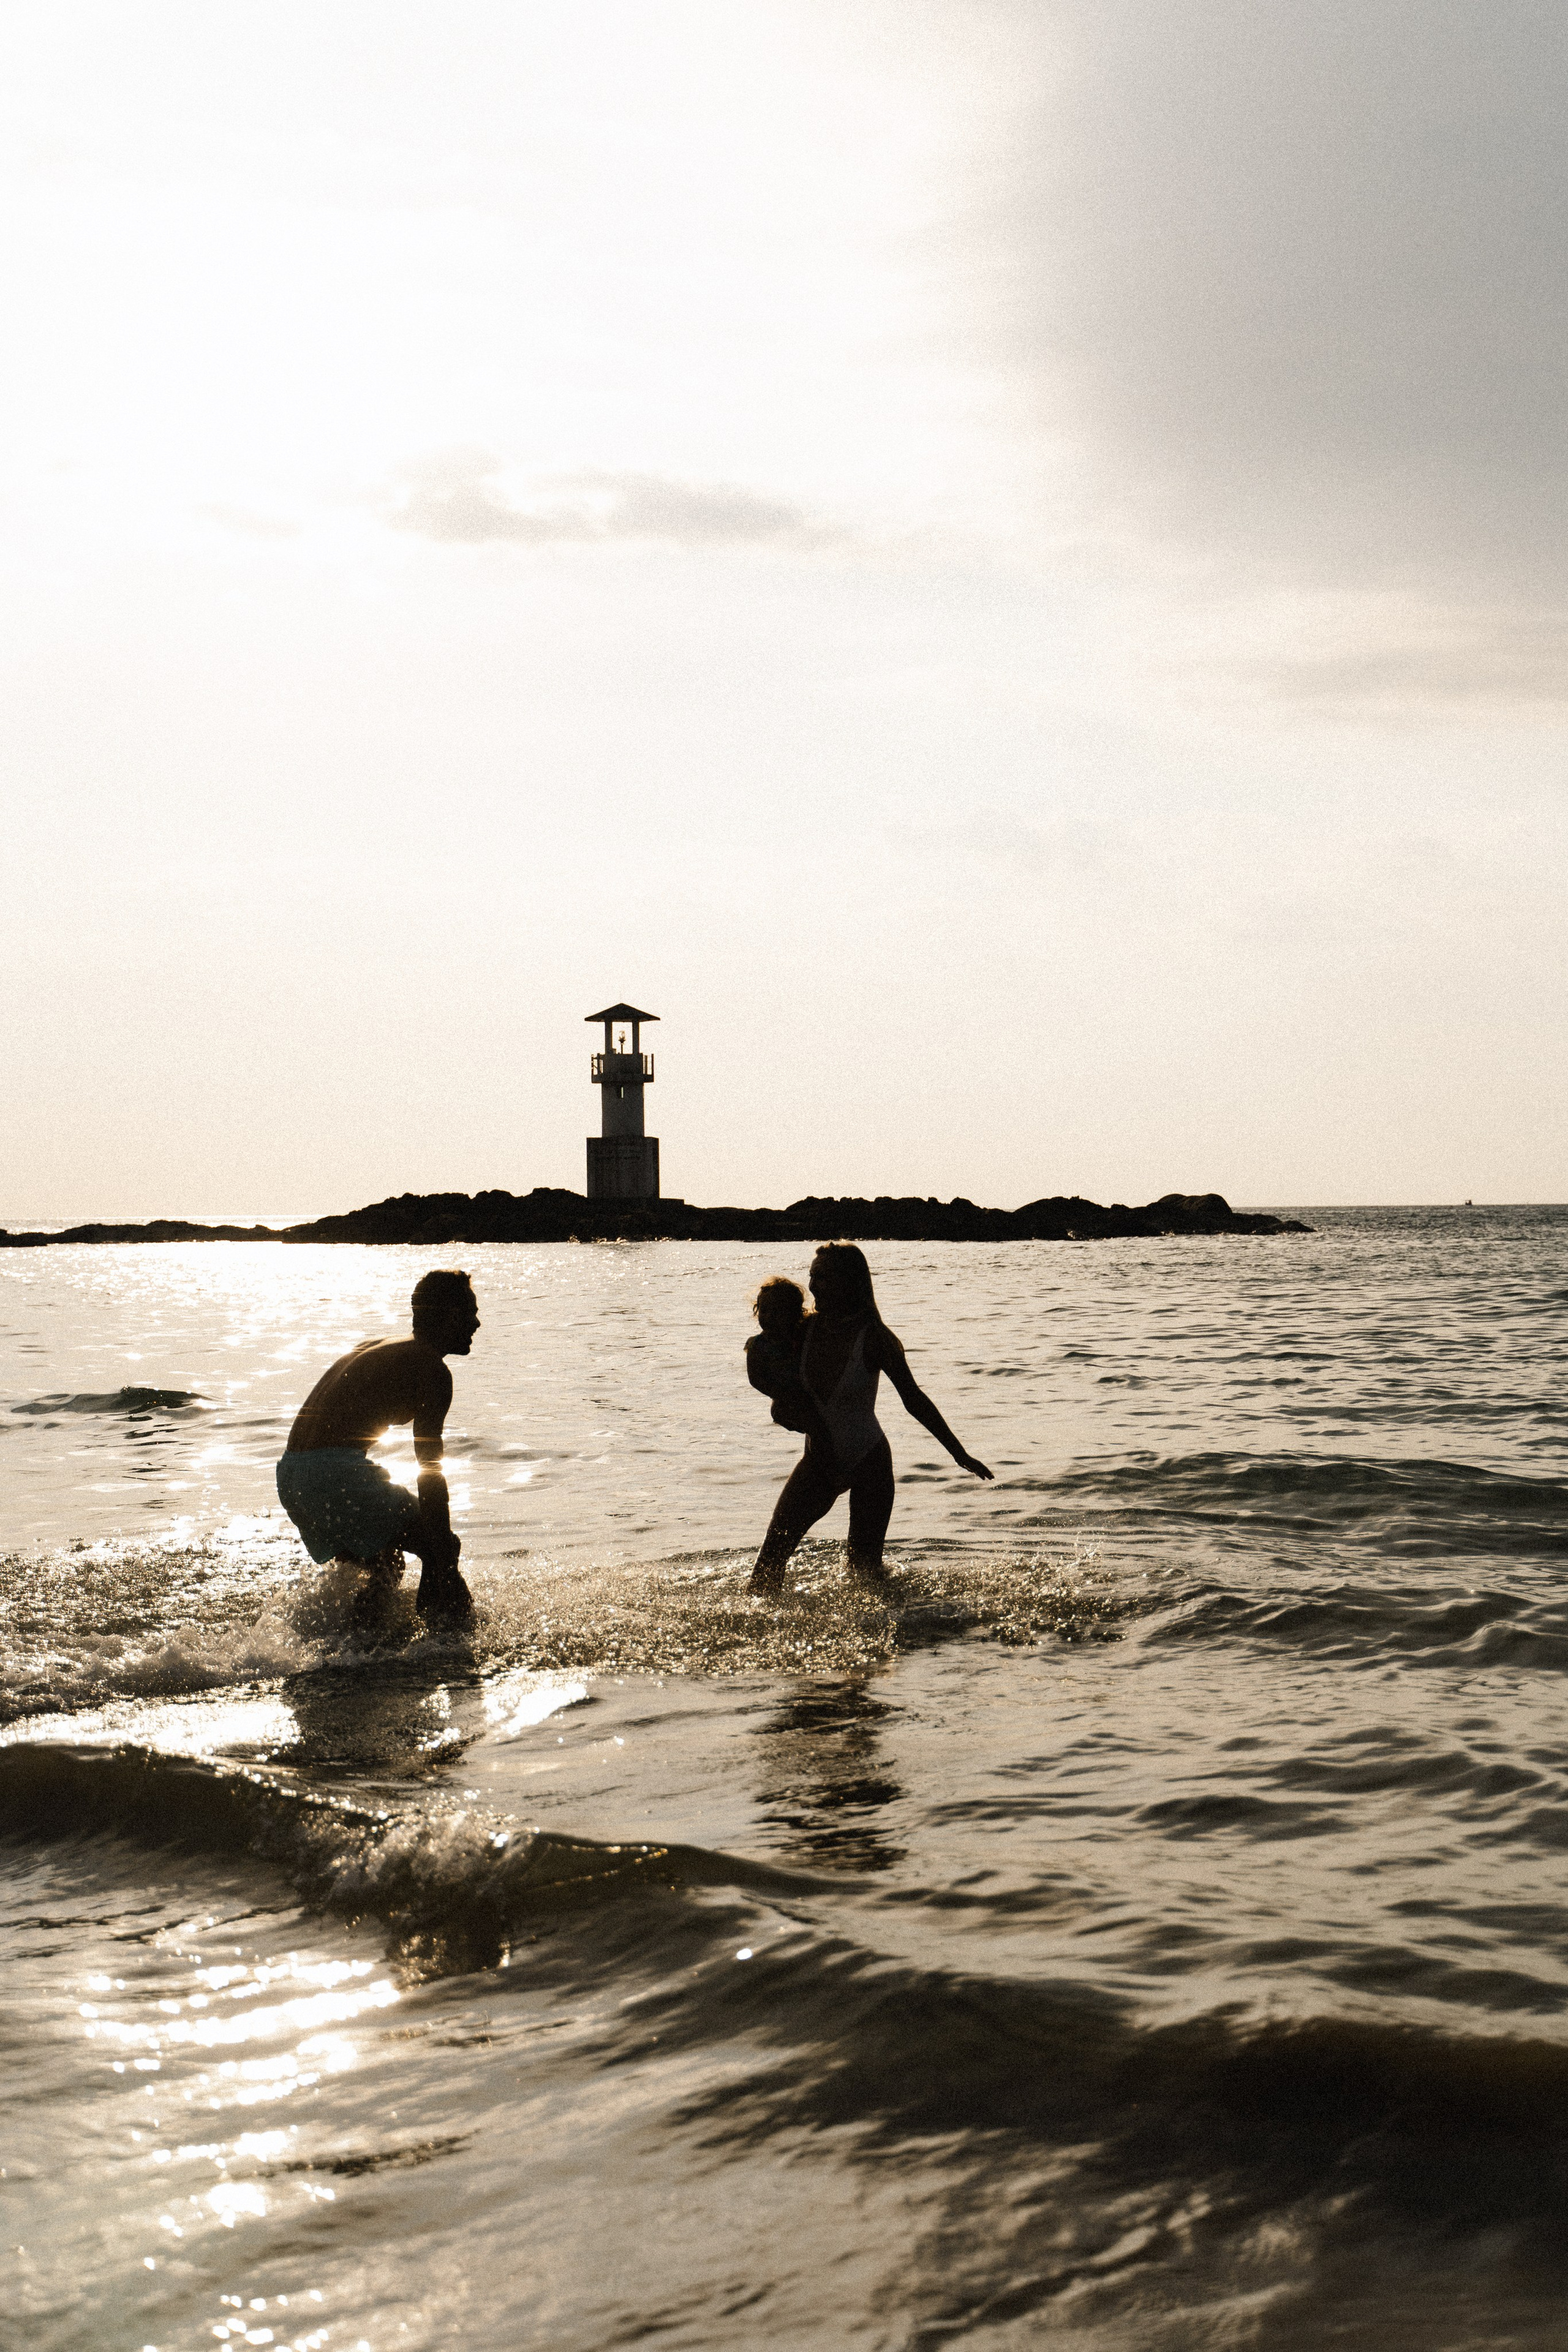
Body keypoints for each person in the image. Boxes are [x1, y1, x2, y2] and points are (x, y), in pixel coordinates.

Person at [748, 1243, 992, 1597]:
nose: (814, 1285)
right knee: (769, 1564)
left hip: (869, 1462)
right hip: (819, 1462)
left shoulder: (876, 1337)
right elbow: (777, 1380)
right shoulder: (802, 1331)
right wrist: (779, 1408)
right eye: (813, 1275)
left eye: (823, 1276)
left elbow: (914, 1400)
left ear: (849, 1282)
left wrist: (959, 1454)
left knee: (865, 1575)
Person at [276, 1268, 480, 1624]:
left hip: (292, 1474)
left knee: (387, 1564)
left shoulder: (379, 1347)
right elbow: (430, 1467)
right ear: (448, 1315)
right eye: (471, 1312)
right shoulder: (432, 1369)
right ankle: (450, 1645)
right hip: (333, 1474)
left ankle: (354, 1650)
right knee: (440, 1547)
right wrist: (442, 1542)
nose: (477, 1323)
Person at [744, 1276, 834, 1450]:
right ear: (757, 1311)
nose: (770, 1317)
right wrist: (782, 1393)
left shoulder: (803, 1332)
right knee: (819, 1430)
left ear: (795, 1314)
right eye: (765, 1310)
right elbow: (755, 1379)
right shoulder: (758, 1345)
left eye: (778, 1312)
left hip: (811, 1396)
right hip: (784, 1404)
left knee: (822, 1431)